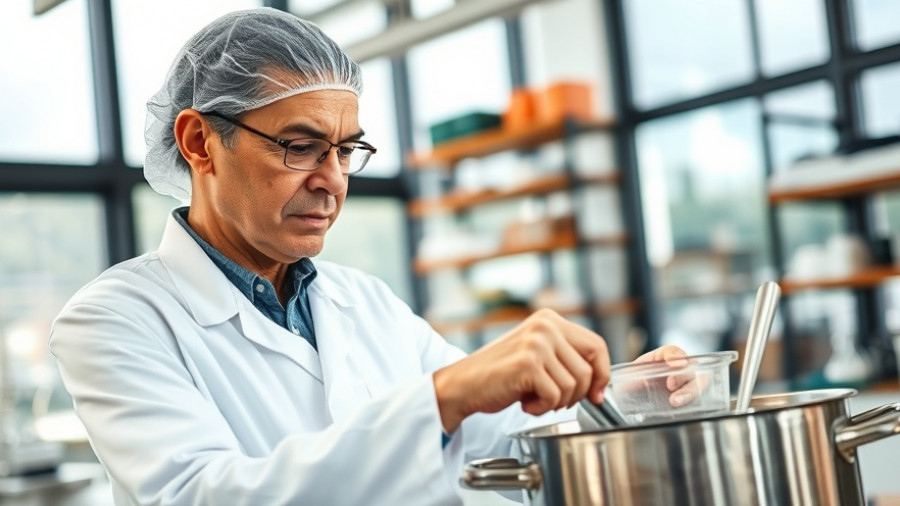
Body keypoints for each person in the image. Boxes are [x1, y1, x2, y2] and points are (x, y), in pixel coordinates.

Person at [49, 8, 686, 506]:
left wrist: (626, 397)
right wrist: (445, 396)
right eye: (300, 146)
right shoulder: (114, 321)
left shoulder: (363, 300)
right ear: (200, 143)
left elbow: (499, 440)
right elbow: (201, 494)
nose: (333, 181)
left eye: (346, 151)